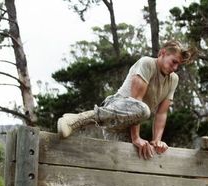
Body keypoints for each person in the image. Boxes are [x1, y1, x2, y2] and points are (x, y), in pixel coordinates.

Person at [57, 40, 194, 160]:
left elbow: (161, 113)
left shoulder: (174, 79)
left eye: (179, 65)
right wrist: (136, 138)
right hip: (115, 107)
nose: (175, 68)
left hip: (127, 125)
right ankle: (76, 120)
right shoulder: (147, 63)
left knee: (128, 160)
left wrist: (156, 141)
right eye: (174, 62)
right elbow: (136, 101)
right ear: (162, 53)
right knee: (143, 109)